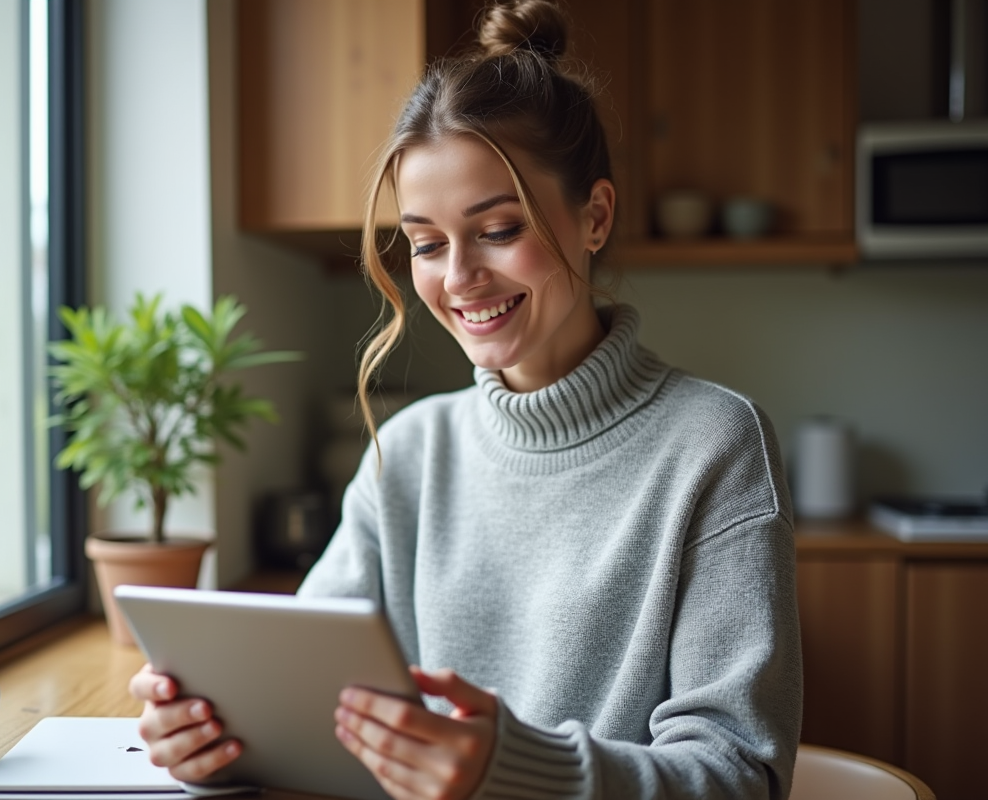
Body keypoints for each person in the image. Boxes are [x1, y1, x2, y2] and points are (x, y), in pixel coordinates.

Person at [129, 1, 803, 798]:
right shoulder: (407, 454)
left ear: (595, 216)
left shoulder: (715, 443)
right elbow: (306, 705)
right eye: (425, 243)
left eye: (498, 227)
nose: (457, 279)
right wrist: (213, 738)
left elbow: (739, 777)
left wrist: (513, 770)